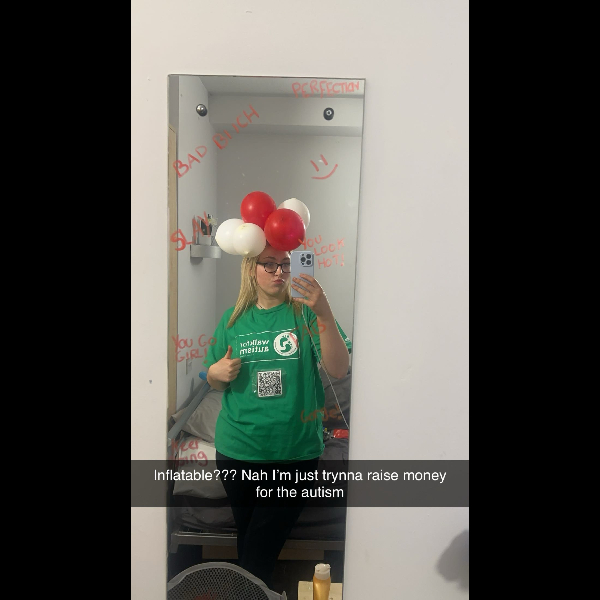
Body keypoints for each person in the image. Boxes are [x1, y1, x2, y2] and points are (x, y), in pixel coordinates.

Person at [204, 243, 351, 589]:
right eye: (268, 264)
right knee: (251, 540)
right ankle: (256, 593)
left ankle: (245, 594)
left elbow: (339, 369)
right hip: (237, 450)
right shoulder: (232, 319)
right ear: (250, 268)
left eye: (285, 264)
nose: (279, 272)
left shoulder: (305, 314)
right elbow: (213, 377)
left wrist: (324, 312)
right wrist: (215, 373)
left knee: (257, 553)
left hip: (294, 454)